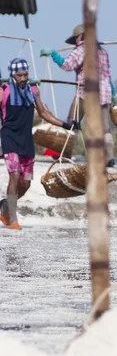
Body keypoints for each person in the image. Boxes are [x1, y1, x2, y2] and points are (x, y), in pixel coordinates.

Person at [0, 58, 79, 230]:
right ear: (12, 75)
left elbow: (43, 113)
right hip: (9, 137)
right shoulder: (3, 90)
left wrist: (66, 124)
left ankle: (5, 206)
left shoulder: (33, 90)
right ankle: (13, 219)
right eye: (20, 75)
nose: (23, 78)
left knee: (26, 184)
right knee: (14, 175)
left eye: (26, 74)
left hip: (26, 140)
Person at [40, 24, 116, 167]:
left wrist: (53, 54)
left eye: (76, 38)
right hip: (104, 94)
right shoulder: (102, 52)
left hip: (86, 92)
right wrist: (113, 93)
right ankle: (109, 158)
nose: (75, 41)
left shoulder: (81, 50)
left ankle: (64, 153)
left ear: (81, 37)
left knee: (72, 121)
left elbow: (67, 65)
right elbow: (108, 75)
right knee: (105, 128)